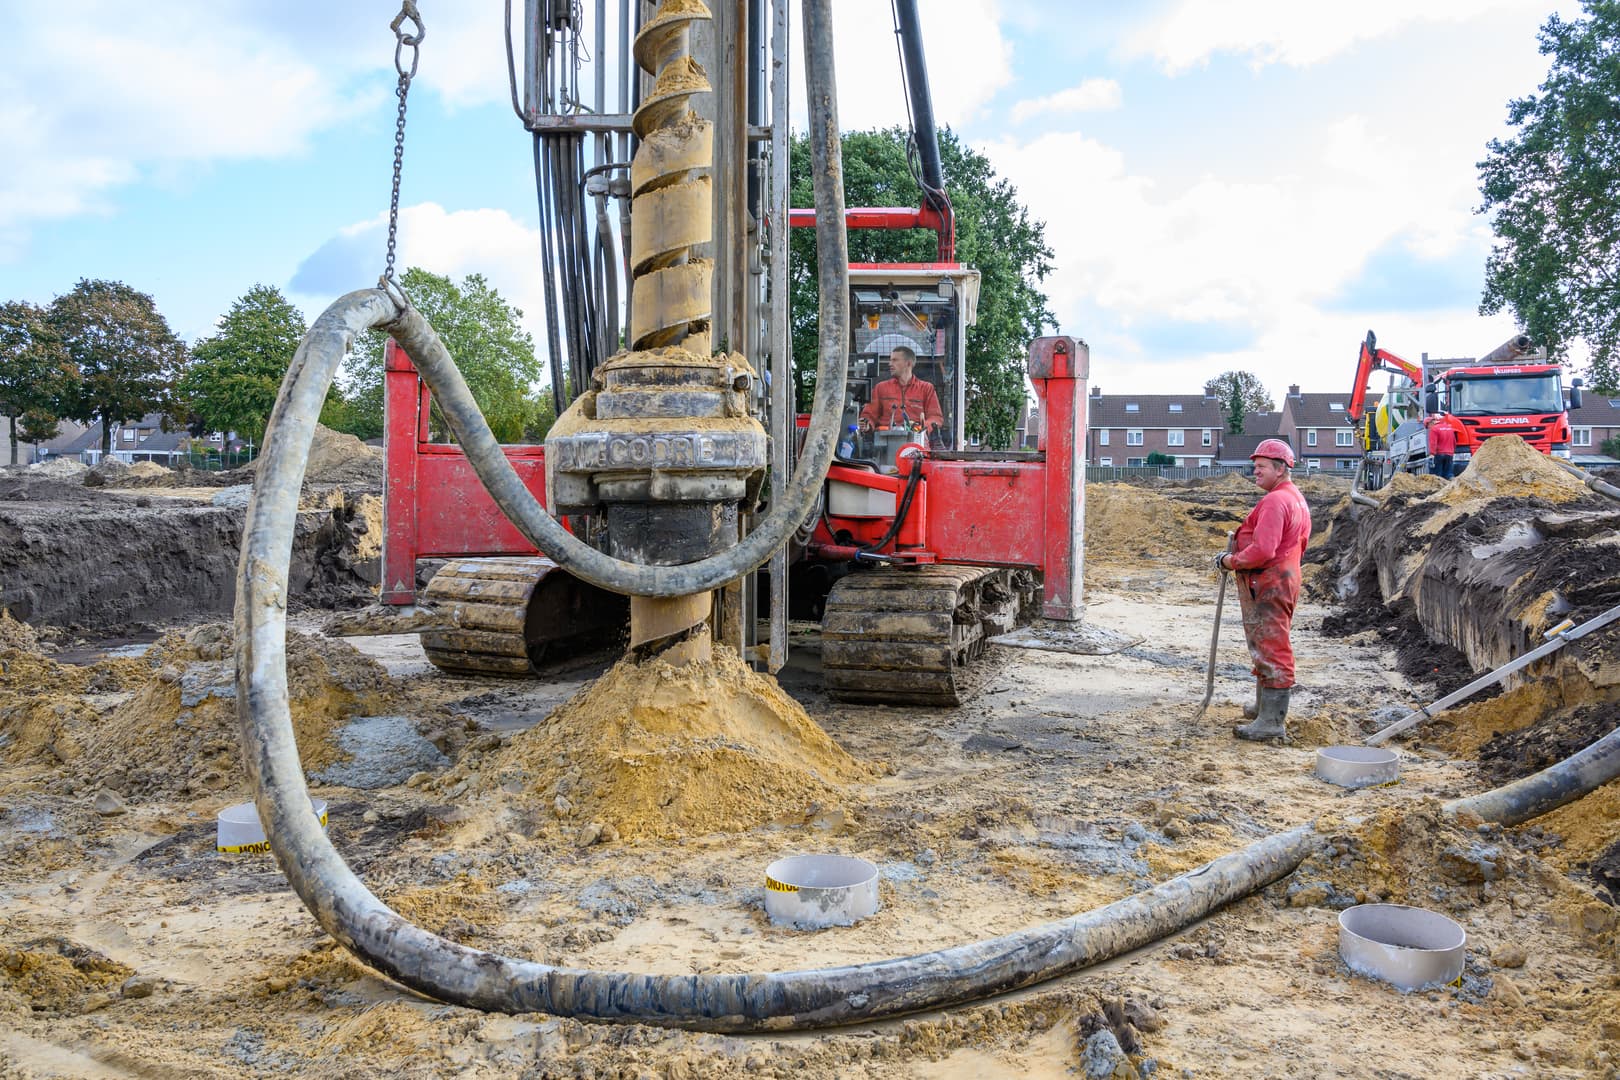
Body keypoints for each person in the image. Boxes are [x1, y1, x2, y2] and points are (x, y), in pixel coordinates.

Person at [1214, 438, 1312, 742]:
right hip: (1283, 578)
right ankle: (1262, 707)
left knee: (1272, 646)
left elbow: (1262, 550)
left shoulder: (1275, 501)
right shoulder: (1294, 497)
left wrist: (1231, 561)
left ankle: (1271, 720)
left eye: (1261, 467)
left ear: (1280, 468)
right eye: (1254, 466)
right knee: (1265, 644)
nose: (1254, 472)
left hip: (1268, 582)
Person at [859, 345, 943, 436]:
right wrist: (866, 425)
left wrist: (922, 427)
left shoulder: (926, 388)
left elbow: (936, 418)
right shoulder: (880, 388)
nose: (890, 364)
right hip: (884, 442)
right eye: (890, 360)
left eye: (894, 360)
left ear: (908, 363)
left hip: (918, 443)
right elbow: (868, 415)